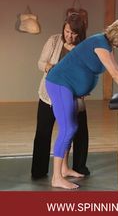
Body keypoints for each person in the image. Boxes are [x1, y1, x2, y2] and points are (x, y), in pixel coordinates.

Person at [45, 18, 118, 189]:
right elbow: (115, 72)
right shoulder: (99, 42)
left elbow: (115, 69)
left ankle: (64, 169)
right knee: (68, 128)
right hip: (59, 83)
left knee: (71, 127)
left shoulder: (105, 44)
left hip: (68, 87)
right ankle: (56, 178)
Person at [31, 11, 90, 180]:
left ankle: (77, 166)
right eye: (66, 31)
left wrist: (83, 86)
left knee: (78, 132)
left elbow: (86, 72)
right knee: (43, 132)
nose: (69, 35)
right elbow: (41, 63)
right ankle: (39, 171)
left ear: (80, 33)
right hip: (49, 96)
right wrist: (52, 68)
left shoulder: (84, 48)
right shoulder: (54, 40)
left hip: (73, 96)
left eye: (73, 33)